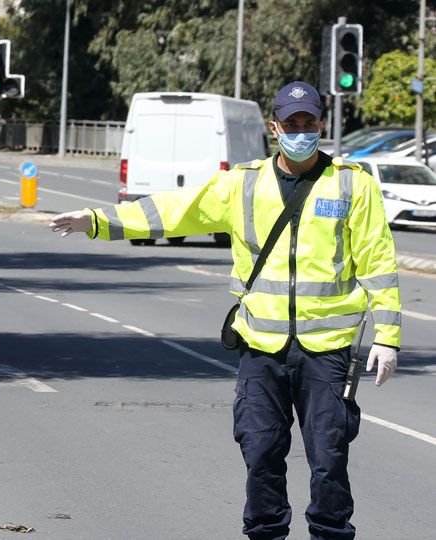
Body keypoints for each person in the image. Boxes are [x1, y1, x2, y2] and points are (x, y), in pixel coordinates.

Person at [49, 81, 400, 540]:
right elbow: (173, 212)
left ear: (321, 126)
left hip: (327, 352)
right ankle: (266, 533)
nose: (300, 131)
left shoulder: (354, 185)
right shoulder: (244, 183)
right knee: (260, 454)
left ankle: (331, 534)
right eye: (290, 124)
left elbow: (379, 263)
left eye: (308, 123)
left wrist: (388, 337)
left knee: (329, 460)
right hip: (260, 347)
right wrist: (98, 221)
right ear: (274, 128)